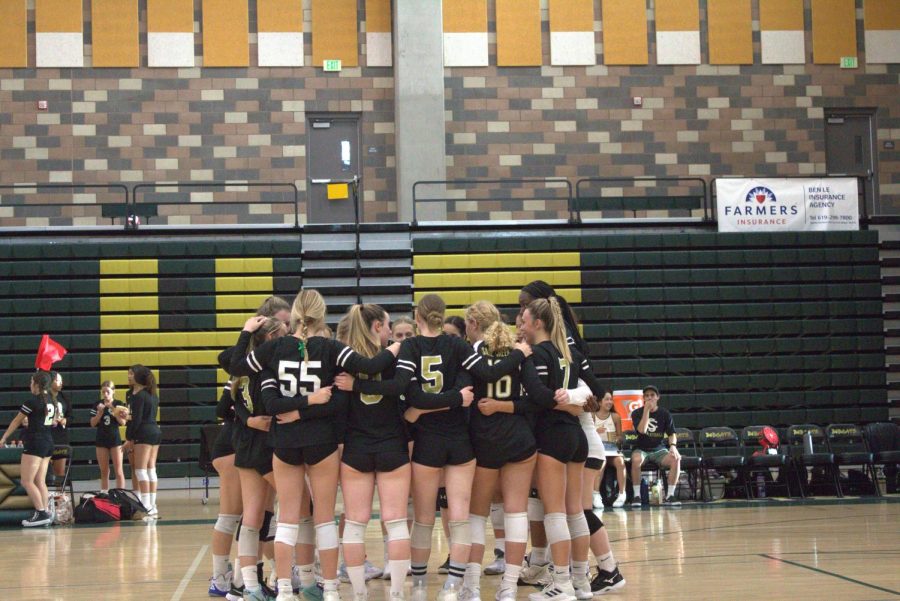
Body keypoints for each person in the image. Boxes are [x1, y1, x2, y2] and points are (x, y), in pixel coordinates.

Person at [337, 294, 527, 601]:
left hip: (427, 442)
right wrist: (518, 354)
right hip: (460, 441)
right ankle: (455, 588)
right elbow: (485, 377)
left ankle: (421, 588)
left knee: (423, 519)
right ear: (443, 315)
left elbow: (410, 396)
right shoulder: (460, 346)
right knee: (460, 517)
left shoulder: (410, 347)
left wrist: (417, 409)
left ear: (417, 316)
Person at [231, 289, 400, 601]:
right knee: (323, 518)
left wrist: (246, 331)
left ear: (295, 315)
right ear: (322, 316)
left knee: (287, 520)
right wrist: (399, 348)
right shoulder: (332, 348)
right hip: (321, 442)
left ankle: (283, 590)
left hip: (284, 442)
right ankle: (332, 589)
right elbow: (370, 365)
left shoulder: (276, 348)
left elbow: (236, 366)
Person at [212, 295, 290, 599]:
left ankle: (250, 582)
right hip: (239, 444)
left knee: (259, 517)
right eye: (284, 324)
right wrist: (250, 420)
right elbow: (225, 404)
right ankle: (224, 579)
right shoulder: (250, 364)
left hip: (253, 442)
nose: (289, 329)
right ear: (268, 327)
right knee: (235, 516)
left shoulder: (258, 363)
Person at [459, 301, 537, 601]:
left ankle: (473, 587)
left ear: (476, 325)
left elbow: (466, 399)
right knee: (516, 513)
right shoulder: (520, 352)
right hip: (518, 439)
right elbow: (534, 400)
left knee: (476, 516)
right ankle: (508, 587)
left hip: (485, 441)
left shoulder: (472, 354)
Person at [517, 297, 594, 601]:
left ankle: (561, 583)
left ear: (538, 323)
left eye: (523, 320)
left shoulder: (536, 353)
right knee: (575, 510)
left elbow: (538, 396)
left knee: (555, 512)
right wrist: (572, 404)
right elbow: (584, 392)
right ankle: (581, 582)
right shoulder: (568, 352)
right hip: (576, 436)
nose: (520, 325)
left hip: (552, 437)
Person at [334, 304, 412, 601]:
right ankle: (396, 594)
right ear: (378, 326)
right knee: (395, 520)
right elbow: (404, 392)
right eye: (388, 326)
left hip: (356, 448)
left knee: (355, 522)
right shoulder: (397, 357)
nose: (391, 332)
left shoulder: (344, 360)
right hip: (392, 445)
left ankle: (358, 593)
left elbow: (339, 412)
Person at [0, 371, 55, 527]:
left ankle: (41, 512)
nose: (30, 385)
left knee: (27, 481)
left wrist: (4, 438)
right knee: (40, 480)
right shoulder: (51, 401)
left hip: (35, 443)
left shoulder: (32, 402)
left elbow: (17, 421)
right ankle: (46, 513)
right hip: (48, 442)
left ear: (36, 384)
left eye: (31, 382)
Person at [630, 386, 681, 507]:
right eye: (646, 395)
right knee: (636, 460)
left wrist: (673, 446)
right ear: (643, 399)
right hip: (642, 449)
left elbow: (672, 433)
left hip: (659, 450)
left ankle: (670, 495)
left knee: (676, 458)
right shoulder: (637, 413)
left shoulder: (665, 413)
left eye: (652, 395)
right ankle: (637, 496)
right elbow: (642, 430)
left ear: (658, 397)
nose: (649, 398)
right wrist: (646, 411)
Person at [124, 365, 162, 518]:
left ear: (139, 376)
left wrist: (129, 438)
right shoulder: (153, 394)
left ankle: (146, 505)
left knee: (140, 470)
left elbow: (137, 419)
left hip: (144, 433)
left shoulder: (139, 396)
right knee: (151, 469)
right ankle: (152, 505)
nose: (129, 376)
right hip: (155, 431)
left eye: (132, 373)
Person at [89, 381, 127, 492]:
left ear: (113, 392)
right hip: (101, 439)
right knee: (104, 471)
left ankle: (120, 495)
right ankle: (104, 494)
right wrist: (99, 413)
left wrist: (114, 410)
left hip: (115, 439)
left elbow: (123, 422)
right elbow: (92, 423)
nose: (105, 394)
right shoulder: (98, 404)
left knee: (118, 470)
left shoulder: (118, 404)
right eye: (103, 392)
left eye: (108, 392)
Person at [593, 391, 626, 508]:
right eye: (606, 399)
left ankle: (622, 494)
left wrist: (617, 439)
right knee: (602, 462)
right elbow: (586, 434)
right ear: (600, 402)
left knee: (620, 462)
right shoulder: (592, 415)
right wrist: (596, 432)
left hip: (612, 449)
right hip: (597, 448)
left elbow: (621, 437)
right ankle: (595, 494)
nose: (609, 402)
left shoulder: (615, 417)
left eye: (611, 399)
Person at [49, 371, 70, 483]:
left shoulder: (64, 397)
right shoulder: (44, 397)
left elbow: (71, 416)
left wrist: (65, 420)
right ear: (51, 381)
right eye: (58, 380)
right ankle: (46, 498)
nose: (61, 383)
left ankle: (59, 497)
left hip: (61, 437)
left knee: (59, 472)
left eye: (61, 381)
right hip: (46, 436)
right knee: (44, 473)